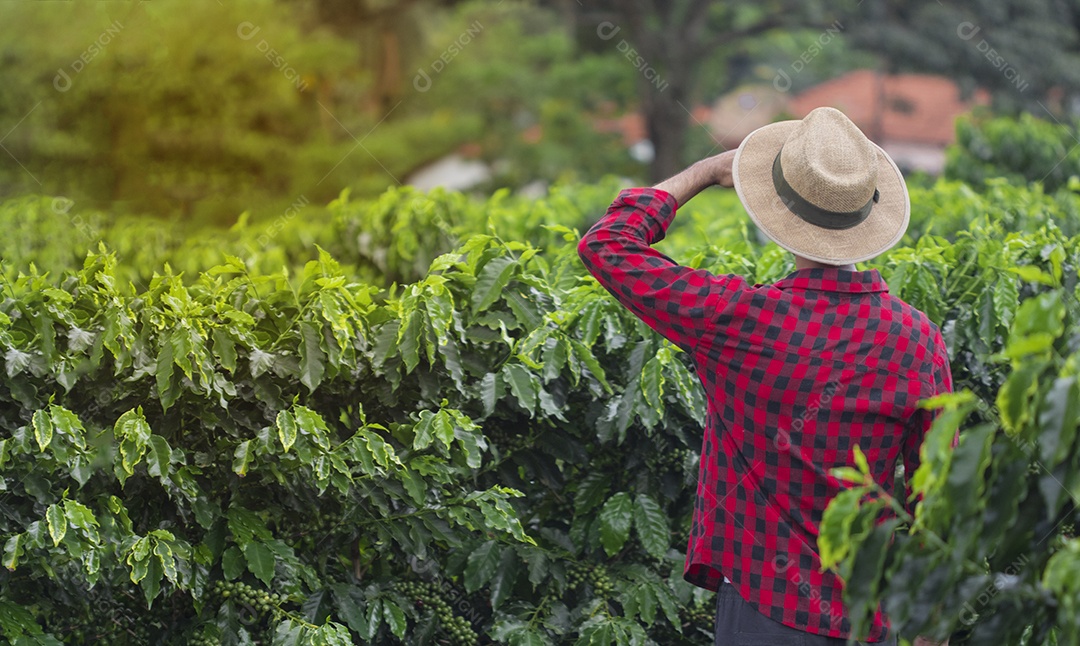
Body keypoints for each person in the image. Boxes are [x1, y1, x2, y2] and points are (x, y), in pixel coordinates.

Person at [577, 107, 952, 646]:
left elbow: (607, 245)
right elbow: (934, 491)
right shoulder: (918, 340)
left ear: (778, 212)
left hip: (763, 609)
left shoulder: (735, 319)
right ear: (864, 218)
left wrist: (704, 172)